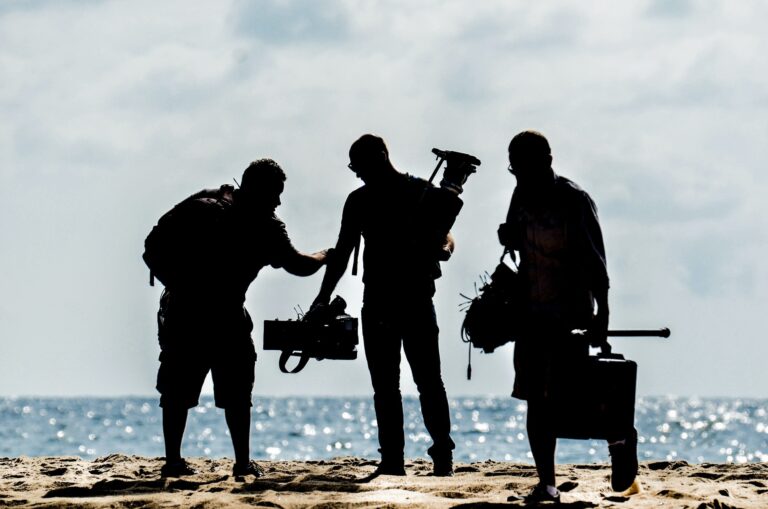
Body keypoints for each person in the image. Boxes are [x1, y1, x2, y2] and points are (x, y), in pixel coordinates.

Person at [146, 159, 328, 478]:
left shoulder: (206, 200)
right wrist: (326, 255)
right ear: (260, 190)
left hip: (185, 313)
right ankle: (240, 462)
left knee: (179, 392)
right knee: (234, 394)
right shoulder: (267, 227)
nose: (279, 201)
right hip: (222, 318)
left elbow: (151, 248)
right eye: (276, 193)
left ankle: (176, 461)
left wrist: (177, 286)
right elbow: (298, 265)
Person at [310, 134, 471, 477]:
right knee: (403, 383)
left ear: (382, 156)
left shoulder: (404, 194)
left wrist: (446, 245)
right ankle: (400, 459)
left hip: (401, 299)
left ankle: (435, 455)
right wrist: (322, 297)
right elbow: (343, 252)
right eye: (356, 169)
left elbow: (444, 234)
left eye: (361, 167)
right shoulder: (390, 196)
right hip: (393, 300)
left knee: (418, 382)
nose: (359, 174)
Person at [497, 130, 637, 502]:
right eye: (514, 169)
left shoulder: (574, 200)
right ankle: (547, 483)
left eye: (523, 167)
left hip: (570, 313)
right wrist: (507, 235)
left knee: (575, 396)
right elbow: (514, 239)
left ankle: (621, 440)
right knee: (534, 398)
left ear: (547, 160)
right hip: (530, 312)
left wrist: (603, 313)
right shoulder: (520, 195)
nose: (518, 176)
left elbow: (597, 261)